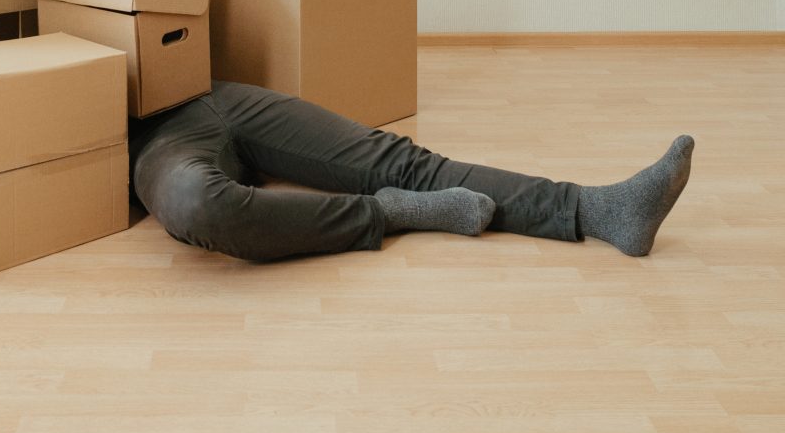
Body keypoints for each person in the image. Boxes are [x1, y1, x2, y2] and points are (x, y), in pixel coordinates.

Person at [129, 80, 694, 262]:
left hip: (204, 89)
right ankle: (392, 212)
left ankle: (599, 209)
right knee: (202, 204)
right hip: (147, 139)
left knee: (403, 161)